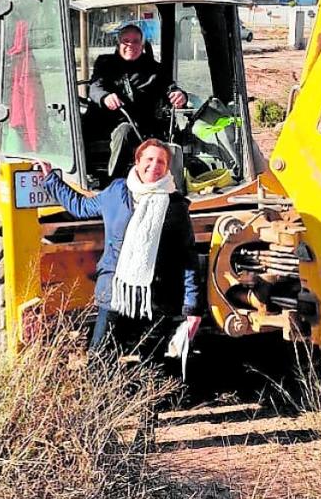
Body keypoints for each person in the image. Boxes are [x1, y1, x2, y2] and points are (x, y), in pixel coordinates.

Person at [36, 138, 203, 356]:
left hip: (155, 299)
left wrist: (192, 308)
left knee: (151, 366)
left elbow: (187, 257)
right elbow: (81, 207)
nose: (154, 166)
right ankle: (103, 391)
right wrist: (50, 179)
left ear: (167, 168)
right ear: (137, 161)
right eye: (149, 159)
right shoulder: (117, 192)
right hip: (115, 292)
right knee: (101, 359)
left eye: (161, 162)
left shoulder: (175, 206)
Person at [88, 23, 188, 142]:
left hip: (142, 127)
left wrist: (180, 96)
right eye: (126, 41)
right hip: (105, 122)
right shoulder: (104, 64)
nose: (130, 45)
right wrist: (105, 97)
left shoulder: (155, 69)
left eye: (135, 41)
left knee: (125, 131)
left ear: (142, 45)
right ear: (118, 44)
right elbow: (95, 87)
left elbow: (170, 88)